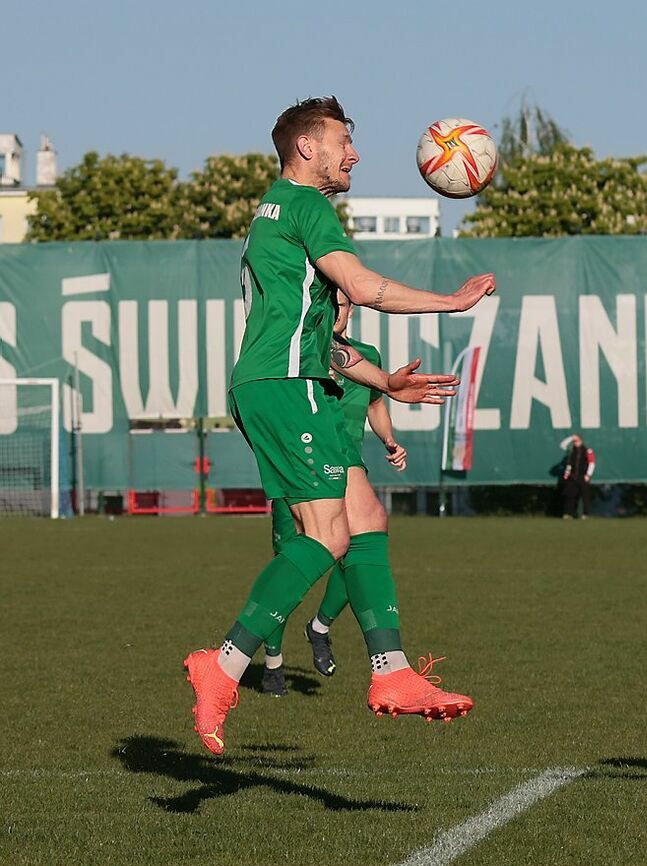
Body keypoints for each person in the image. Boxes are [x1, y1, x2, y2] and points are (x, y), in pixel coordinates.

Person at [184, 97, 496, 755]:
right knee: (326, 536)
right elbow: (363, 286)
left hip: (286, 382)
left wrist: (383, 381)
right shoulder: (306, 204)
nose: (354, 154)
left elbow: (319, 337)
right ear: (307, 147)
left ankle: (393, 671)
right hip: (287, 387)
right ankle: (226, 663)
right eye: (342, 141)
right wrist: (451, 302)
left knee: (366, 519)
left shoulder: (276, 210)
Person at [260, 293, 409, 695]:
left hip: (348, 469)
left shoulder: (366, 355)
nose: (337, 310)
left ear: (352, 308)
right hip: (300, 470)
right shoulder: (300, 351)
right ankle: (272, 663)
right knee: (290, 564)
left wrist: (389, 439)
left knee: (358, 549)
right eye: (331, 303)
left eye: (343, 304)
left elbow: (375, 403)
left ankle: (320, 627)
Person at [561, 434, 596, 519]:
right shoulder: (571, 450)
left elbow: (592, 463)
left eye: (576, 441)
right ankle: (568, 513)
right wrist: (571, 438)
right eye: (574, 441)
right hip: (573, 476)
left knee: (585, 496)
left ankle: (585, 514)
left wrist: (588, 475)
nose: (575, 443)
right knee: (570, 495)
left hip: (583, 476)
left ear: (581, 441)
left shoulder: (587, 450)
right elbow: (562, 445)